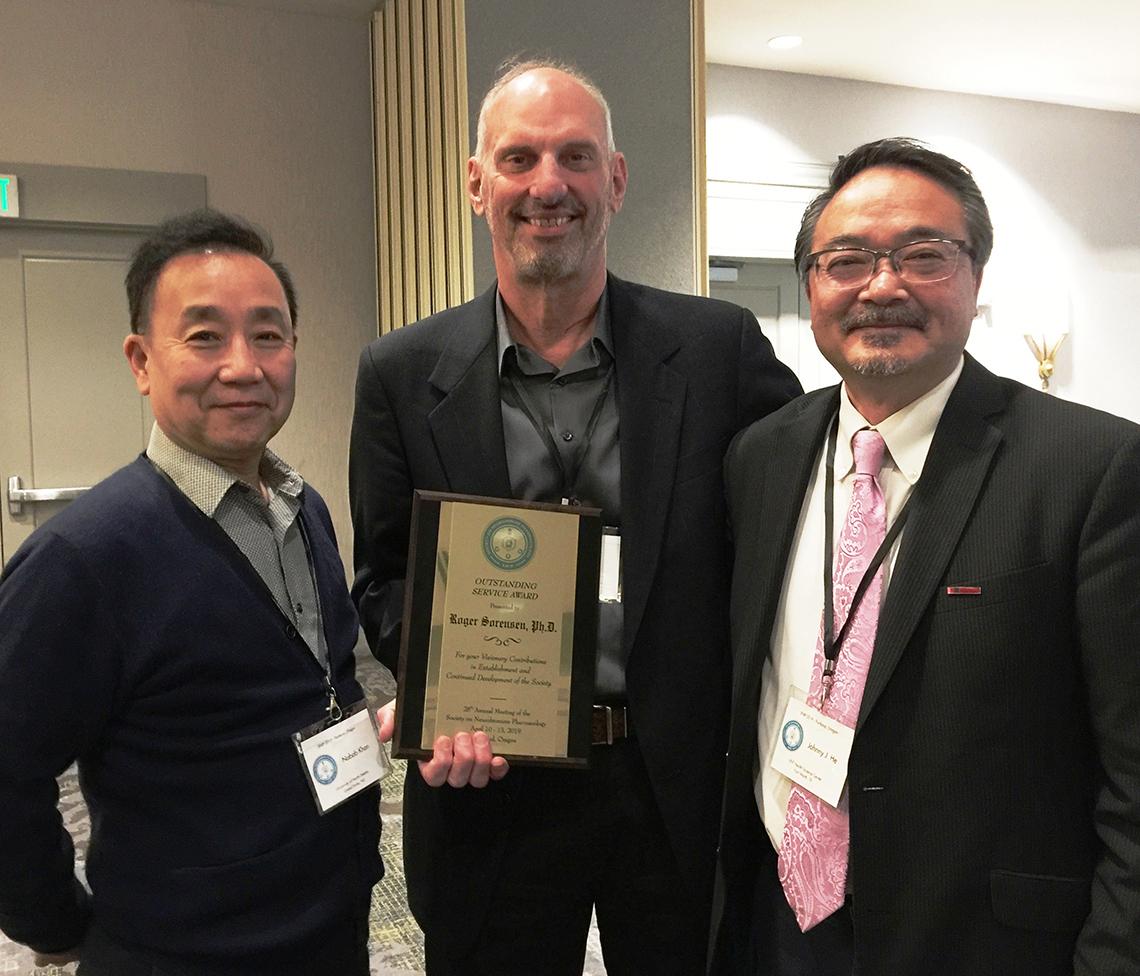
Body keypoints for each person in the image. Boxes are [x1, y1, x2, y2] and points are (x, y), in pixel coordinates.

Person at [350, 59, 801, 974]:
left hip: (673, 775)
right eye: (518, 159)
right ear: (478, 185)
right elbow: (387, 577)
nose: (547, 185)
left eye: (575, 157)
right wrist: (442, 695)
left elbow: (789, 532)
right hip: (494, 779)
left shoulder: (719, 351)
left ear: (617, 181)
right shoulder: (400, 372)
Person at [710, 137, 1140, 975]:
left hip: (984, 944)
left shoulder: (1093, 470)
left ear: (975, 278)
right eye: (848, 260)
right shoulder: (760, 457)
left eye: (923, 256)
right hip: (775, 925)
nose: (882, 285)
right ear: (810, 287)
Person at [0, 210, 382, 975]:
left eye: (268, 335)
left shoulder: (305, 510)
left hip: (329, 927)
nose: (244, 366)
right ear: (141, 360)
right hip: (184, 953)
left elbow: (304, 690)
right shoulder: (84, 558)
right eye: (205, 337)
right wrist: (57, 923)